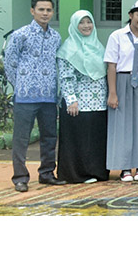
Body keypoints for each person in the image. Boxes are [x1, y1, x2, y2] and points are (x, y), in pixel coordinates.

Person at [4, 0, 64, 192]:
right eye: (41, 10)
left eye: (48, 10)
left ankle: (47, 173)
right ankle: (20, 177)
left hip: (48, 96)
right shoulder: (20, 35)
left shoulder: (56, 37)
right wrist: (21, 84)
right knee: (21, 139)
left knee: (49, 137)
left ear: (52, 12)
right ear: (32, 11)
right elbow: (10, 63)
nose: (45, 13)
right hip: (25, 97)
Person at [104, 0, 138, 182]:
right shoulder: (117, 36)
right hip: (122, 81)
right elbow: (111, 66)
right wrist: (112, 92)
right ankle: (125, 167)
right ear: (130, 15)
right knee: (123, 125)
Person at [56, 10, 109, 184]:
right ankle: (77, 174)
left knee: (95, 138)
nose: (86, 26)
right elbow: (65, 76)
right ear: (74, 25)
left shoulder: (98, 46)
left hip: (99, 102)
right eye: (82, 23)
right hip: (78, 103)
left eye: (89, 22)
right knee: (78, 139)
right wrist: (71, 100)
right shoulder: (68, 48)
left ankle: (97, 172)